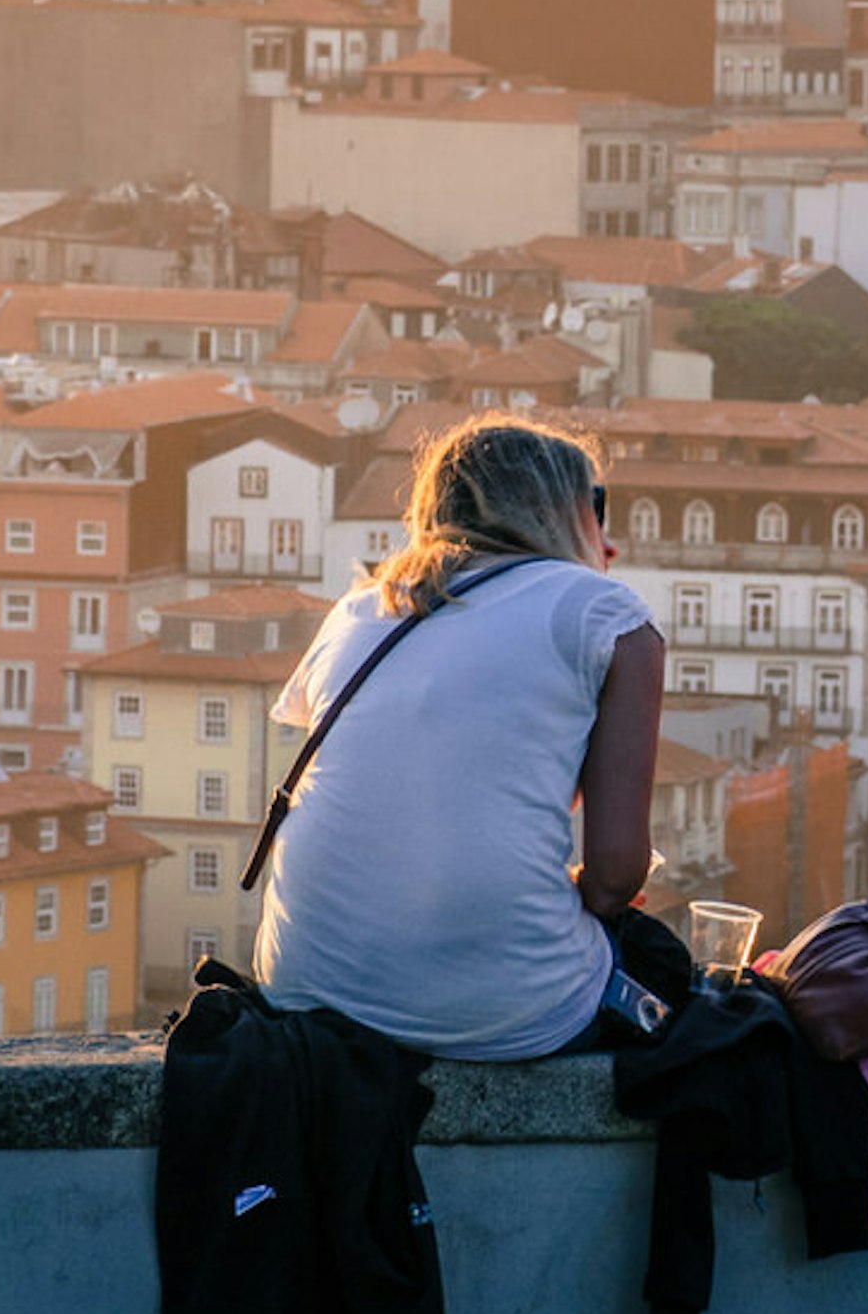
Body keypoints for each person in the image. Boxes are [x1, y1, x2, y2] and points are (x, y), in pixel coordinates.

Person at [256, 413, 670, 1060]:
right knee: (665, 977)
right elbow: (617, 877)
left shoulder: (361, 607)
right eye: (596, 504)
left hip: (303, 987)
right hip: (502, 1010)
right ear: (564, 510)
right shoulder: (608, 613)